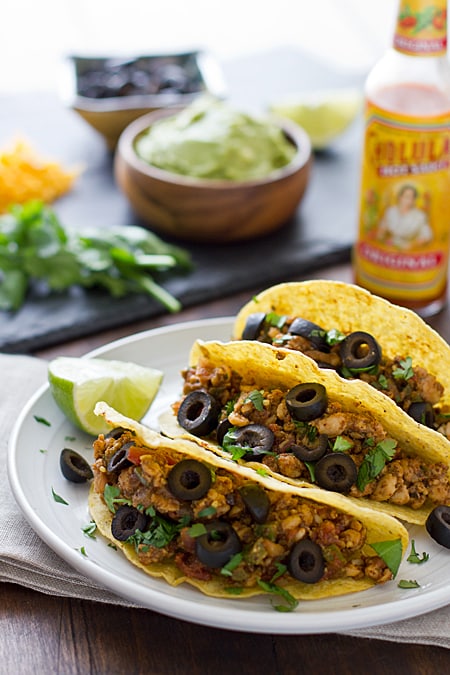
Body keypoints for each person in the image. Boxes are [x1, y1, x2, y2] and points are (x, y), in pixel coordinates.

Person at [377, 184, 432, 249]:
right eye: (407, 197)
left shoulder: (420, 216)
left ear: (414, 200)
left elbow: (427, 235)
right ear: (400, 197)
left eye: (412, 198)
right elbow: (382, 227)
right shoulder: (390, 211)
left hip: (409, 248)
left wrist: (412, 245)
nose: (409, 200)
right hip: (390, 245)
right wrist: (381, 236)